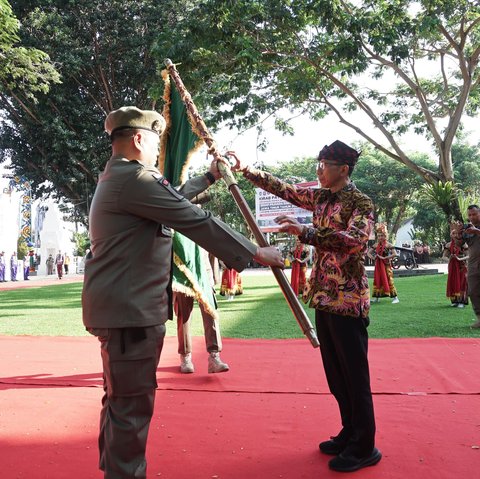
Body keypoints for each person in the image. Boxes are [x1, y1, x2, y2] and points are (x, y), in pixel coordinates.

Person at [81, 106, 283, 479]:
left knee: (120, 405)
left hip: (123, 310)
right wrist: (255, 252)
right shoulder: (135, 179)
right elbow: (191, 217)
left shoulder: (123, 177)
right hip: (130, 314)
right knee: (130, 410)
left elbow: (172, 198)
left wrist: (208, 176)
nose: (159, 149)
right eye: (155, 141)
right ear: (139, 138)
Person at [228, 140, 381, 473]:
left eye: (324, 164)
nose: (319, 171)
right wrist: (246, 170)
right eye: (318, 164)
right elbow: (285, 189)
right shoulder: (321, 197)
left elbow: (356, 241)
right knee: (336, 375)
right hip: (324, 297)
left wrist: (307, 232)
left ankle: (365, 445)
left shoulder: (360, 202)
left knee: (355, 376)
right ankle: (350, 431)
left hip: (348, 300)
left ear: (343, 169)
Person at [173, 233, 228, 374]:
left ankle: (214, 356)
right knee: (183, 315)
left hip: (203, 269)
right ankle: (185, 356)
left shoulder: (200, 217)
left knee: (210, 311)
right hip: (182, 269)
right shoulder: (175, 214)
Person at [367, 223, 399, 304]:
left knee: (389, 280)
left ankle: (395, 298)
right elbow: (368, 253)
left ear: (385, 236)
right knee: (378, 280)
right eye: (379, 236)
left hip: (386, 265)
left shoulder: (388, 244)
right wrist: (374, 258)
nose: (381, 237)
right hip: (378, 265)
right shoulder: (376, 245)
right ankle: (377, 298)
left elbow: (395, 254)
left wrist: (385, 258)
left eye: (382, 235)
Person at [442, 224, 468, 308]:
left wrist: (460, 259)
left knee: (461, 283)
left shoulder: (463, 244)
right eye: (453, 233)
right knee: (453, 282)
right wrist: (450, 259)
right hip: (452, 266)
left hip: (461, 266)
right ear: (451, 235)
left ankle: (462, 302)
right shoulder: (448, 245)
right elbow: (444, 257)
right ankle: (455, 301)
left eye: (456, 233)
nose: (455, 235)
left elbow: (469, 255)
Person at [463, 205, 480, 328]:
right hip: (474, 264)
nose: (471, 217)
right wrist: (456, 235)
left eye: (474, 214)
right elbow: (460, 244)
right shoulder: (468, 229)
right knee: (473, 291)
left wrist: (477, 231)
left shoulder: (474, 229)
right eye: (469, 215)